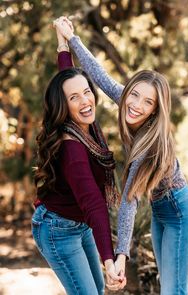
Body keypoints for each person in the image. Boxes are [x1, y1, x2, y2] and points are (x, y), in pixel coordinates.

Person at [54, 17, 188, 295]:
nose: (136, 105)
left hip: (181, 211)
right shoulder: (127, 100)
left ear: (156, 111)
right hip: (162, 208)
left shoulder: (151, 143)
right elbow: (99, 76)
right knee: (166, 287)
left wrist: (121, 255)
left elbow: (129, 201)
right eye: (135, 95)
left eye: (148, 102)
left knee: (174, 290)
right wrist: (70, 39)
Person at [31, 65, 126, 294]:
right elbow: (93, 202)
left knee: (98, 289)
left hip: (79, 224)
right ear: (64, 106)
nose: (85, 100)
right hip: (58, 229)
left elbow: (69, 76)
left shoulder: (85, 125)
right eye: (75, 97)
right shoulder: (72, 149)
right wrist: (109, 260)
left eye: (87, 91)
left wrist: (64, 45)